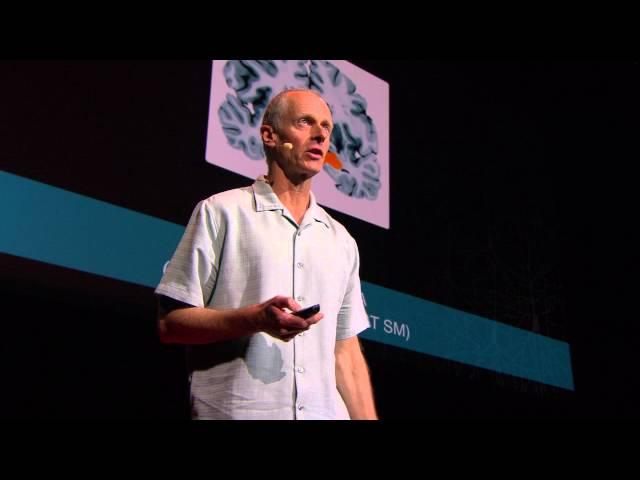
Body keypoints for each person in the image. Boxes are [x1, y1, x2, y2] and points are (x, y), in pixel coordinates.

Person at [155, 88, 377, 420]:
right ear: (269, 135)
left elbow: (345, 352)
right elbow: (171, 324)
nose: (320, 134)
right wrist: (255, 319)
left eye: (326, 127)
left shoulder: (341, 240)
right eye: (305, 122)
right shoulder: (222, 212)